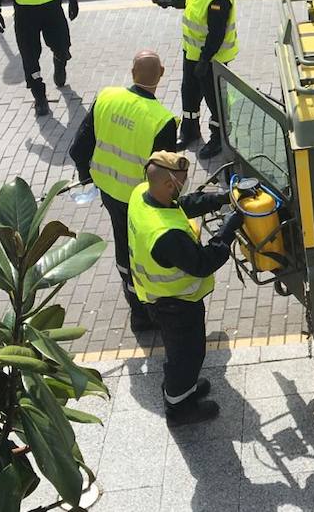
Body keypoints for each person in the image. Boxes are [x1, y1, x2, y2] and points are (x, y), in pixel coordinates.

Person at [128, 151, 243, 427]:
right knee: (186, 356)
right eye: (181, 181)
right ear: (168, 185)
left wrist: (220, 199)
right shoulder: (166, 235)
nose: (185, 185)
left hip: (161, 298)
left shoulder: (143, 192)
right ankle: (179, 408)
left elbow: (183, 205)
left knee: (185, 353)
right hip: (174, 304)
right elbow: (203, 263)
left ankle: (184, 389)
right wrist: (227, 231)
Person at [68, 50, 179, 333]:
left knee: (122, 245)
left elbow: (78, 148)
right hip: (141, 203)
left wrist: (88, 178)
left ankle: (136, 309)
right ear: (162, 74)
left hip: (110, 193)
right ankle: (150, 308)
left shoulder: (106, 97)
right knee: (144, 252)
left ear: (131, 72)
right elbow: (169, 180)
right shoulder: (162, 120)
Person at [149, 0, 238, 158]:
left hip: (212, 59)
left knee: (214, 100)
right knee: (189, 93)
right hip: (193, 54)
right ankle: (190, 131)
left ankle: (218, 138)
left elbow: (216, 34)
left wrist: (204, 61)